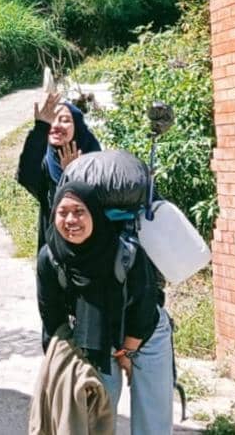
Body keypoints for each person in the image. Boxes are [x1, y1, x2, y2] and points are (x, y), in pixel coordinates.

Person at [37, 180, 172, 435]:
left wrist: (128, 352)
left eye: (79, 212)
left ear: (95, 214)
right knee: (93, 420)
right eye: (62, 212)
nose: (70, 220)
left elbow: (143, 305)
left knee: (152, 423)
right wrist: (61, 364)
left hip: (145, 334)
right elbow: (51, 315)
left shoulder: (125, 251)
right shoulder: (50, 257)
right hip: (94, 339)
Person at [18, 91, 102, 249]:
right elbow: (26, 176)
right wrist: (41, 126)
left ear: (77, 127)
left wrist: (75, 174)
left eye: (65, 120)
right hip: (56, 252)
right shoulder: (45, 163)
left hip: (95, 251)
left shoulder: (96, 160)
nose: (56, 125)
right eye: (53, 119)